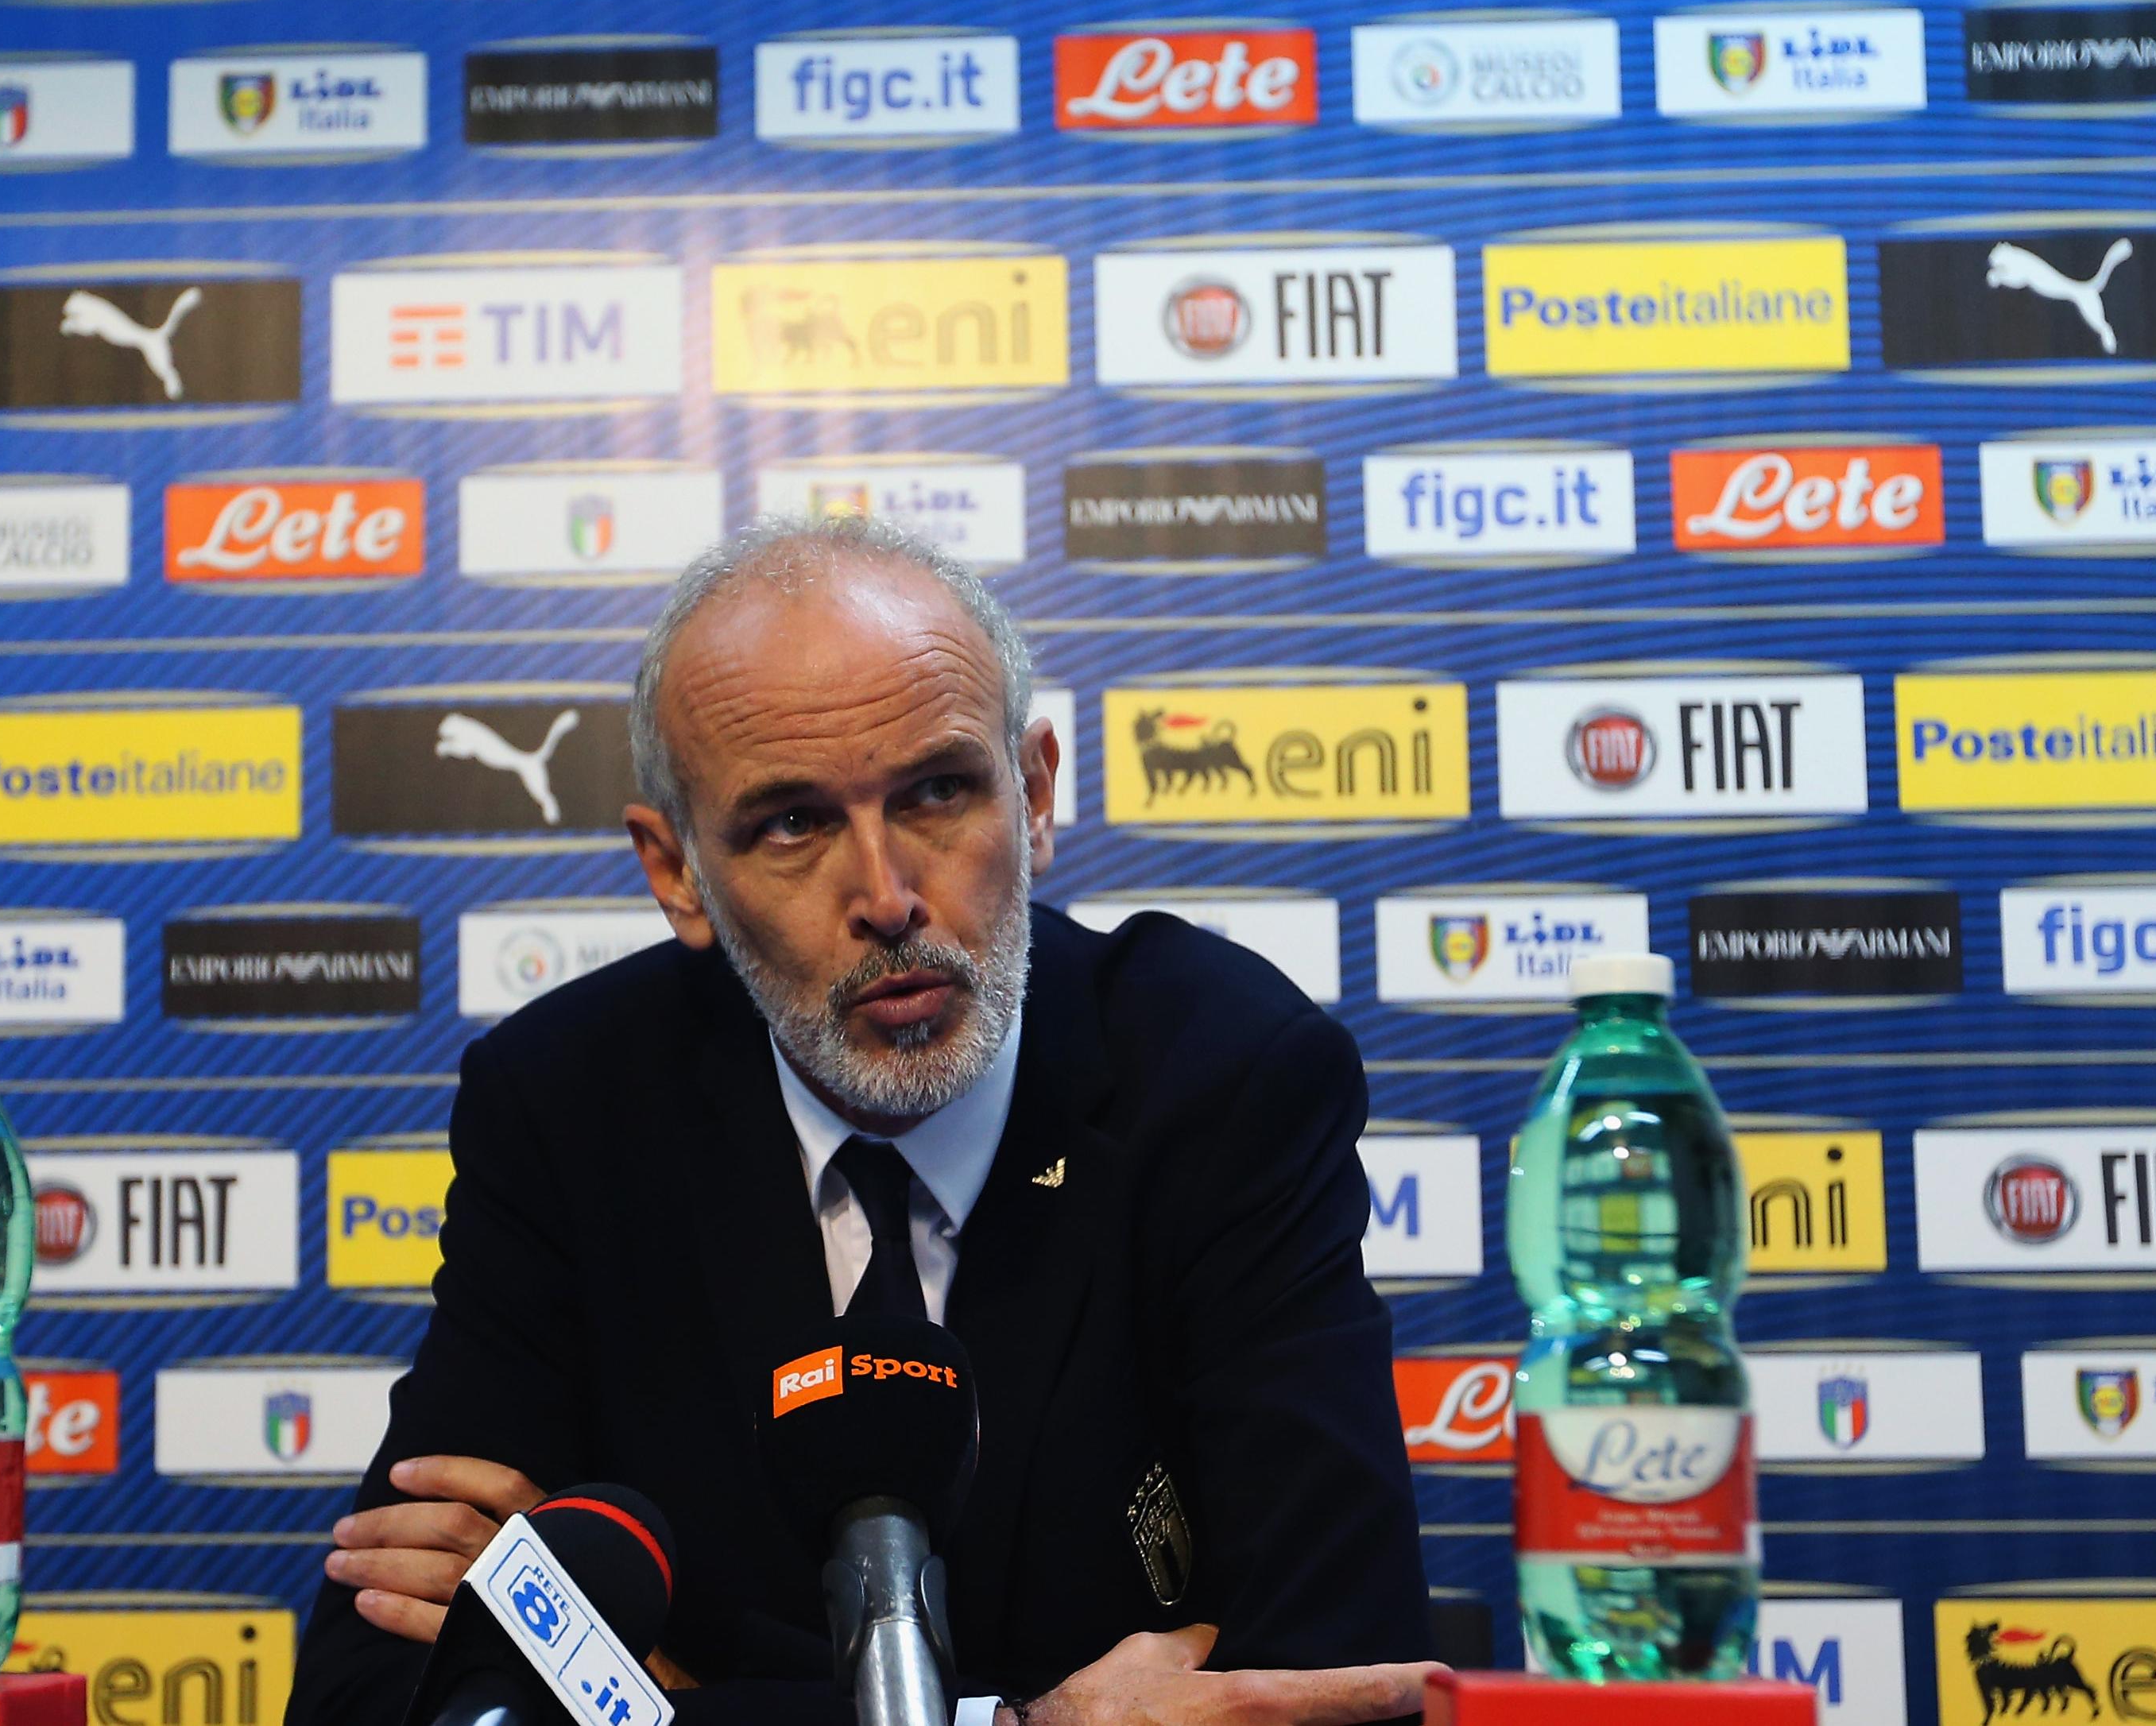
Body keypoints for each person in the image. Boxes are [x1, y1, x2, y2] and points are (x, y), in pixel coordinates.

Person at [284, 517, 1440, 1726]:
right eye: (792, 823)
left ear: (1035, 795)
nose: (888, 898)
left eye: (940, 791)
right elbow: (375, 1688)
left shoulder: (1224, 1074)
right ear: (676, 872)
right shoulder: (572, 1104)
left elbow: (1344, 1674)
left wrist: (648, 1695)